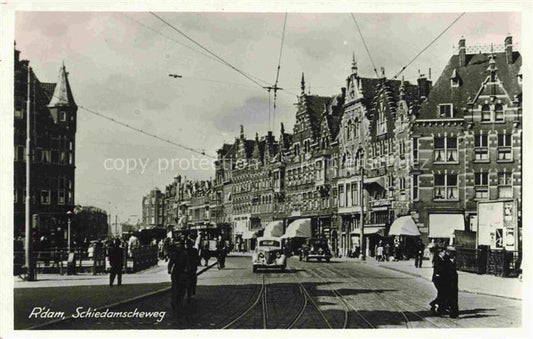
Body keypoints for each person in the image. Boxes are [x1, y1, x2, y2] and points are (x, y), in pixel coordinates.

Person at [168, 239, 190, 311]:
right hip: (175, 272)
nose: (177, 246)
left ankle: (179, 301)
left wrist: (187, 269)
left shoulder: (185, 253)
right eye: (176, 244)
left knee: (182, 288)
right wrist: (169, 269)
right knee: (174, 288)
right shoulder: (174, 254)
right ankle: (174, 302)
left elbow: (187, 263)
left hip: (182, 272)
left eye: (179, 244)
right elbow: (171, 262)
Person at [429, 248, 447, 314]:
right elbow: (438, 269)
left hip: (442, 279)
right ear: (440, 253)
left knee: (442, 294)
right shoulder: (437, 259)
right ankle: (435, 305)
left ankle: (438, 307)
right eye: (444, 252)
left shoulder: (443, 259)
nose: (445, 253)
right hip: (438, 279)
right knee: (442, 293)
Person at [443, 247, 459, 318]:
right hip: (449, 283)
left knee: (454, 299)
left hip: (453, 283)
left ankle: (454, 313)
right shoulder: (446, 261)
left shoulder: (453, 261)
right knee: (451, 299)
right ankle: (452, 313)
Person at [185, 239, 200, 303]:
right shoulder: (194, 250)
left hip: (187, 268)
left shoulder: (185, 251)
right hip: (192, 267)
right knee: (193, 279)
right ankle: (193, 290)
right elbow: (197, 258)